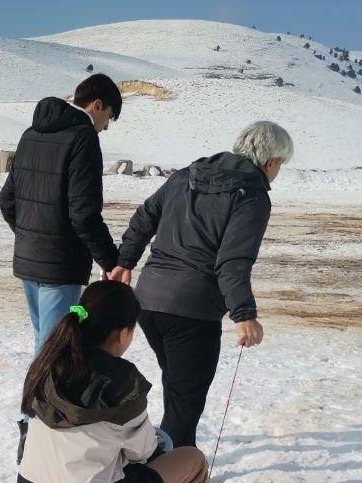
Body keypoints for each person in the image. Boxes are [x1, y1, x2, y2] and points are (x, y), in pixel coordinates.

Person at [17, 281, 235, 483]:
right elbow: (143, 452)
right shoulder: (121, 381)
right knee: (192, 462)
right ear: (123, 333)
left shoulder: (48, 363)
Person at [114, 121, 292, 448]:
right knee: (184, 405)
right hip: (191, 311)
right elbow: (233, 261)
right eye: (281, 164)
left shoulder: (187, 175)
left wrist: (125, 262)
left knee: (179, 394)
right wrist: (244, 314)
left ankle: (171, 461)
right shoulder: (251, 195)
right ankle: (172, 472)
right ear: (270, 162)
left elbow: (145, 216)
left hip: (149, 301)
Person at [0, 73, 126, 355]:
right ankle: (44, 387)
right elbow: (83, 212)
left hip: (30, 259)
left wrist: (31, 236)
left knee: (44, 343)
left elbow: (7, 200)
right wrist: (110, 261)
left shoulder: (30, 135)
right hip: (60, 264)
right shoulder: (83, 137)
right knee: (55, 351)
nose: (106, 127)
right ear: (97, 105)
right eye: (109, 116)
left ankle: (40, 385)